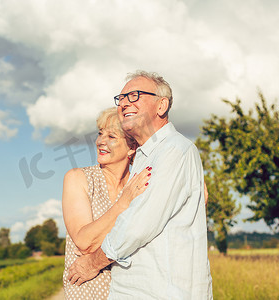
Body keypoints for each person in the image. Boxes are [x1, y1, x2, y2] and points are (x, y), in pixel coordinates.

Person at [68, 71, 213, 299]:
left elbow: (137, 225)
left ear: (161, 106)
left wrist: (92, 263)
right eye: (121, 98)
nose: (124, 103)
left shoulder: (174, 150)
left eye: (134, 95)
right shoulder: (145, 157)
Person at [62, 107, 152, 299]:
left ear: (132, 147)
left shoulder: (139, 183)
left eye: (111, 136)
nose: (100, 141)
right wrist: (123, 203)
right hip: (86, 290)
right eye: (100, 134)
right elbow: (85, 242)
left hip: (132, 291)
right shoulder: (79, 178)